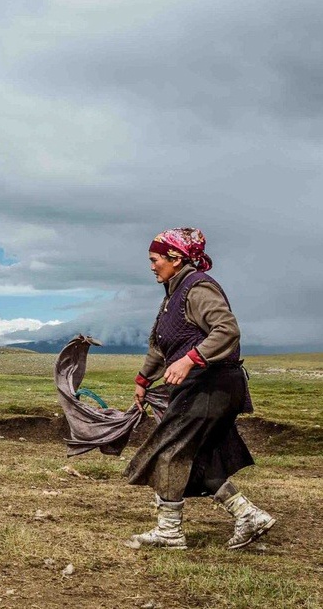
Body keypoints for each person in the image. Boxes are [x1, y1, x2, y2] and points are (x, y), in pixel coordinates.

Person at [125, 228, 274, 550]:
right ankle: (248, 516)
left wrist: (190, 360)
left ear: (175, 259)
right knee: (199, 460)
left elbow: (227, 330)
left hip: (211, 385)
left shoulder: (198, 288)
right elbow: (162, 346)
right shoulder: (173, 295)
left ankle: (169, 533)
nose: (151, 266)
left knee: (169, 451)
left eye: (155, 260)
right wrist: (142, 380)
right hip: (207, 386)